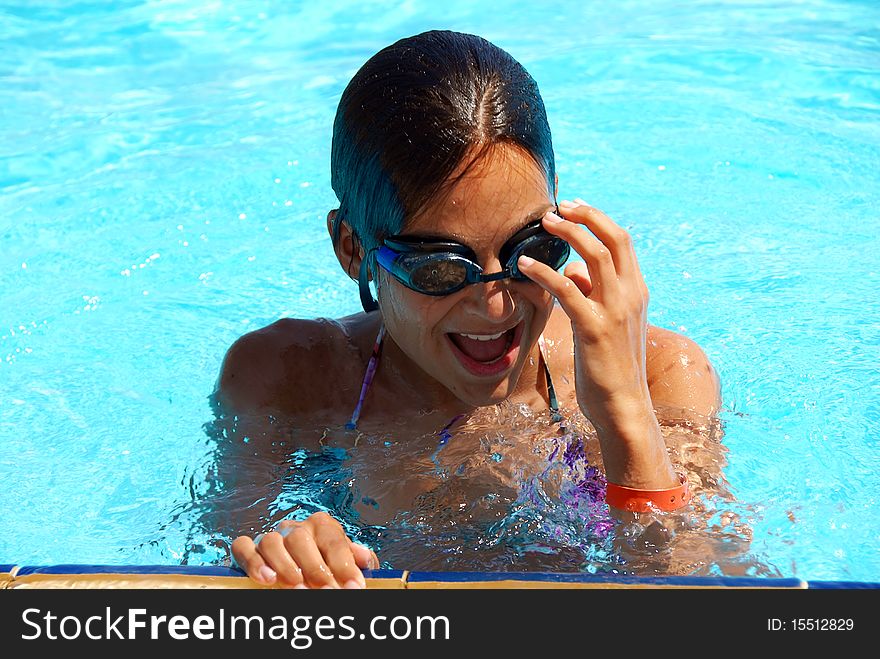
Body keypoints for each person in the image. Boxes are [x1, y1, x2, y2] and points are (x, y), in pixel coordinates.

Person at [213, 29, 722, 589]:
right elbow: (194, 579)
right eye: (440, 266)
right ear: (352, 247)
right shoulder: (289, 380)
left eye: (529, 248)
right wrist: (280, 561)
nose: (496, 306)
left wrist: (626, 411)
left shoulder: (659, 373)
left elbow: (704, 593)